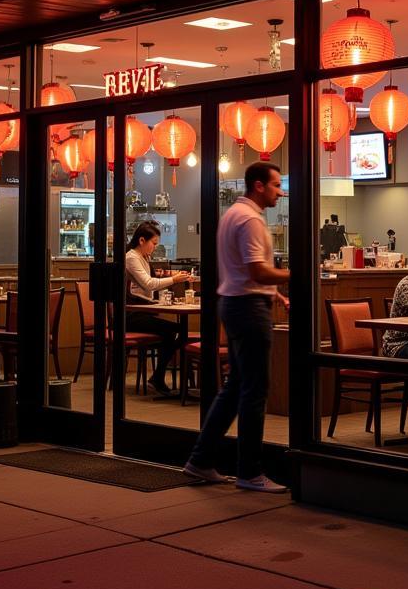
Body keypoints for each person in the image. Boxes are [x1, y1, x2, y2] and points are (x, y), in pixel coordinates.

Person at [184, 162, 290, 492]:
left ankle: (200, 460)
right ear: (258, 186)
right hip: (247, 308)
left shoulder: (232, 214)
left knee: (236, 387)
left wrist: (276, 293)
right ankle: (250, 472)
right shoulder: (250, 220)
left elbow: (245, 271)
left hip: (233, 303)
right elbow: (257, 271)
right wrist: (295, 273)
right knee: (254, 391)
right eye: (275, 185)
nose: (280, 191)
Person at [124, 222, 193, 396]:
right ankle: (158, 377)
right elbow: (148, 284)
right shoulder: (131, 257)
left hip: (142, 311)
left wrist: (171, 276)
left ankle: (160, 376)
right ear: (141, 240)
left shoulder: (143, 258)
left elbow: (150, 282)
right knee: (175, 331)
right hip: (131, 315)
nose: (155, 247)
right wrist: (174, 280)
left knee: (175, 331)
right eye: (153, 244)